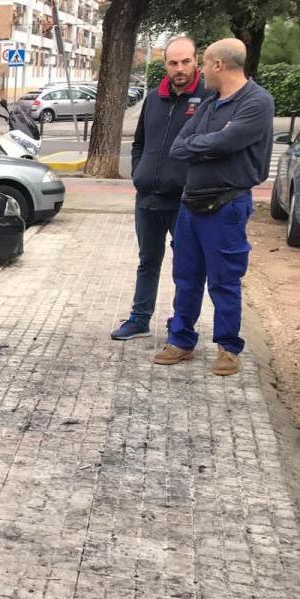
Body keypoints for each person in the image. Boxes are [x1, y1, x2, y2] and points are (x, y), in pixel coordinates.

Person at [154, 38, 275, 376]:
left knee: (224, 279)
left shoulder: (257, 102)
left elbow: (228, 141)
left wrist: (209, 144)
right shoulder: (210, 105)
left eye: (203, 63)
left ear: (219, 65)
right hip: (190, 204)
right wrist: (212, 144)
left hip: (227, 204)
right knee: (185, 276)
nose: (200, 70)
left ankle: (227, 348)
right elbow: (180, 146)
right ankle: (181, 340)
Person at [112, 36, 209, 340]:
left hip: (184, 202)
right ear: (165, 64)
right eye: (173, 62)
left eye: (185, 61)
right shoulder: (153, 98)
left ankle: (180, 326)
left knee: (186, 268)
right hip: (147, 199)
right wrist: (139, 173)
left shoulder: (208, 98)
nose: (179, 68)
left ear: (197, 61)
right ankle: (139, 319)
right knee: (147, 261)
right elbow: (140, 141)